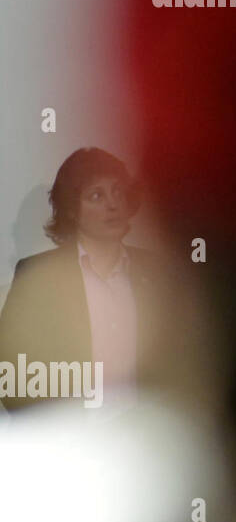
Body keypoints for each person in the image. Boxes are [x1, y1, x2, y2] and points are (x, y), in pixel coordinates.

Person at [0, 147, 169, 413]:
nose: (113, 204)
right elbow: (10, 370)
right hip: (72, 444)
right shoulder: (37, 276)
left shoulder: (158, 273)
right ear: (72, 210)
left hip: (147, 443)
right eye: (96, 195)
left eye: (117, 191)